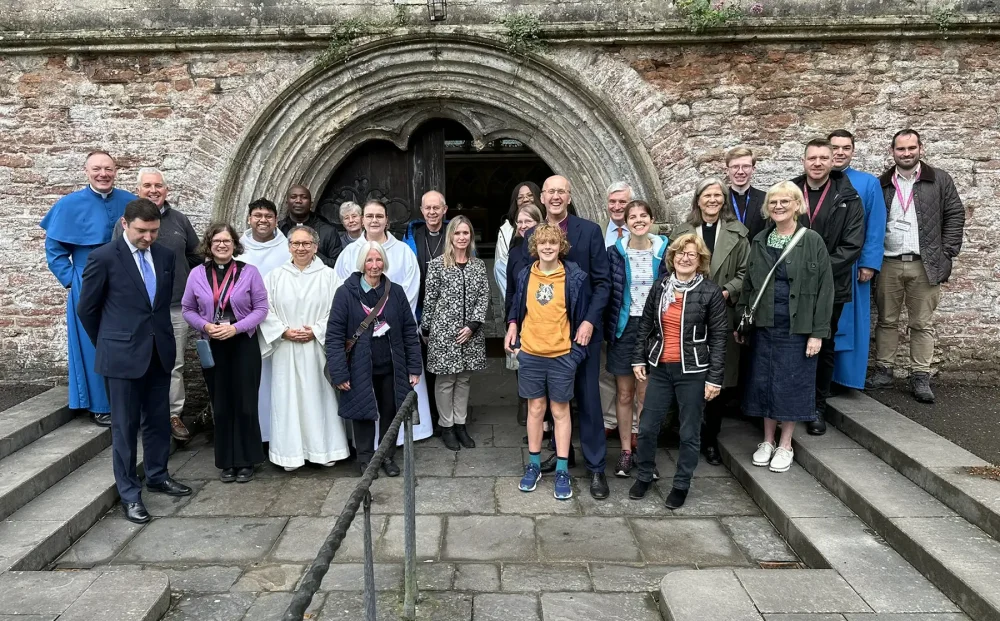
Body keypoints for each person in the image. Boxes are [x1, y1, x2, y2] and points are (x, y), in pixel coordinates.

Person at [77, 198, 192, 524]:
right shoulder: (104, 258)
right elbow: (87, 308)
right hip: (120, 358)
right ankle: (129, 494)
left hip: (158, 353)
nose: (149, 238)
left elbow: (159, 306)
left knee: (157, 421)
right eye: (142, 231)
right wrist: (109, 343)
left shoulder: (165, 255)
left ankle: (157, 475)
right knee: (125, 428)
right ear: (126, 225)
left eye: (154, 231)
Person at [506, 175, 612, 500]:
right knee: (551, 402)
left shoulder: (589, 231)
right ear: (542, 198)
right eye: (549, 191)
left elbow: (603, 282)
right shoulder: (532, 235)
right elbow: (518, 287)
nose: (554, 196)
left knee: (588, 401)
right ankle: (561, 456)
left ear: (569, 196)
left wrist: (591, 322)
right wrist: (512, 322)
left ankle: (596, 468)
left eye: (560, 192)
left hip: (581, 335)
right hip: (542, 340)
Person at [736, 182, 835, 473]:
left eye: (785, 202)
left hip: (797, 326)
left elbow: (824, 289)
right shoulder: (760, 240)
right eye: (774, 202)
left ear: (797, 205)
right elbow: (750, 285)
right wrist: (742, 320)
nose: (779, 207)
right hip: (765, 324)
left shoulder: (812, 240)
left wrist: (817, 333)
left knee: (790, 384)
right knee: (764, 381)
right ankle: (767, 440)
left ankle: (786, 443)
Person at [628, 234, 727, 509]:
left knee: (689, 432)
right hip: (660, 367)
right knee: (647, 427)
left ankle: (681, 483)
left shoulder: (710, 292)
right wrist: (638, 359)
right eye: (681, 253)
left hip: (694, 371)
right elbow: (645, 325)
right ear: (672, 257)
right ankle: (645, 475)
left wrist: (714, 379)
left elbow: (719, 338)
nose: (685, 258)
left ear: (700, 261)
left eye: (691, 255)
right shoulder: (660, 286)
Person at [40, 150, 137, 427]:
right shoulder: (69, 204)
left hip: (125, 280)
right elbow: (55, 249)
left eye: (108, 168)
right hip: (87, 280)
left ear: (115, 170)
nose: (103, 174)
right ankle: (101, 405)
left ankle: (127, 401)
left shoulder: (129, 202)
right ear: (87, 171)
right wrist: (72, 279)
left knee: (127, 340)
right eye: (97, 169)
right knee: (92, 343)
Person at [868, 129, 965, 403]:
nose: (906, 153)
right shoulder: (883, 183)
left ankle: (920, 375)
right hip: (889, 262)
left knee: (922, 324)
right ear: (893, 151)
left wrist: (947, 253)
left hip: (926, 264)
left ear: (920, 148)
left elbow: (955, 214)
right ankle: (884, 370)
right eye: (901, 149)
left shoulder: (939, 179)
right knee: (886, 321)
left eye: (911, 148)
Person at [112, 168, 200, 442]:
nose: (154, 190)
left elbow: (195, 256)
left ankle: (173, 414)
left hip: (174, 307)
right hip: (138, 310)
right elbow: (117, 262)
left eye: (159, 185)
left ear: (166, 189)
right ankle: (144, 415)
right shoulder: (123, 224)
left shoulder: (179, 221)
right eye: (147, 185)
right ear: (138, 190)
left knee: (173, 364)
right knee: (140, 360)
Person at [334, 200, 433, 443]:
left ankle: (393, 442)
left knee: (392, 396)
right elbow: (341, 289)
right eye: (370, 215)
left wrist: (389, 320)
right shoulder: (349, 253)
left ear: (387, 220)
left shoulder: (402, 252)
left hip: (393, 336)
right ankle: (367, 449)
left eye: (379, 215)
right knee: (365, 395)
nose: (374, 220)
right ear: (362, 219)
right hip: (361, 338)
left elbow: (409, 289)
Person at [505, 224, 591, 500]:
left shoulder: (573, 276)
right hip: (531, 352)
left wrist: (575, 353)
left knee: (560, 410)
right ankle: (533, 465)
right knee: (535, 409)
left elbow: (581, 315)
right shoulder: (525, 275)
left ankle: (563, 468)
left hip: (561, 354)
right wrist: (513, 328)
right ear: (535, 247)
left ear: (561, 246)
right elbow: (518, 307)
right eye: (542, 243)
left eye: (553, 243)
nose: (547, 247)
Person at [326, 241, 422, 476]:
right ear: (362, 263)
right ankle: (366, 459)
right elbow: (335, 334)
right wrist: (339, 372)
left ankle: (387, 456)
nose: (374, 265)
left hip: (391, 366)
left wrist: (414, 367)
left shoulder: (395, 292)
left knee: (390, 411)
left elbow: (410, 330)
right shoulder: (346, 293)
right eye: (369, 260)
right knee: (363, 413)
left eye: (378, 260)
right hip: (359, 367)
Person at [671, 178, 749, 466]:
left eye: (718, 195)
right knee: (686, 375)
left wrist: (725, 291)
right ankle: (687, 435)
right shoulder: (683, 232)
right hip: (687, 314)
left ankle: (710, 439)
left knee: (716, 376)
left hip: (721, 312)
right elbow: (671, 265)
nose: (712, 200)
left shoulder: (738, 234)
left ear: (724, 200)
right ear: (698, 200)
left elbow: (745, 271)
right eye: (707, 195)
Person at [182, 223, 268, 484]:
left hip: (243, 343)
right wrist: (206, 326)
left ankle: (247, 460)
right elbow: (188, 309)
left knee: (245, 402)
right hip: (213, 345)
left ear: (235, 244)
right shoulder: (196, 274)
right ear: (209, 244)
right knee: (221, 404)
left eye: (227, 241)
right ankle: (227, 462)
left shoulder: (249, 272)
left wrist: (237, 328)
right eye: (217, 240)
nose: (222, 244)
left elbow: (261, 308)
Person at [258, 227, 350, 470]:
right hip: (285, 348)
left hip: (316, 348)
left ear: (315, 247)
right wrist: (283, 331)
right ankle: (289, 454)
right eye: (296, 244)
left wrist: (317, 330)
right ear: (289, 247)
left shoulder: (329, 277)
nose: (301, 248)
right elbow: (264, 309)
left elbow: (338, 311)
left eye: (306, 243)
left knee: (319, 397)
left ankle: (325, 450)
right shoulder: (275, 277)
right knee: (288, 399)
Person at [791, 138, 865, 436]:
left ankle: (816, 407)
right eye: (812, 158)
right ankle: (792, 402)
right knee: (793, 345)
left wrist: (817, 271)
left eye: (824, 157)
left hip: (831, 285)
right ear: (804, 161)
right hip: (793, 283)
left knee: (824, 345)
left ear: (833, 160)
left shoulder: (849, 197)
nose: (818, 163)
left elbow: (852, 246)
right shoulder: (791, 191)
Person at [605, 200, 668, 477]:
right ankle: (626, 451)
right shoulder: (615, 253)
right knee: (624, 393)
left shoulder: (664, 252)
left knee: (645, 394)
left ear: (651, 220)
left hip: (653, 329)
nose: (638, 220)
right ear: (626, 222)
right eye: (633, 216)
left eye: (643, 216)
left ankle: (644, 451)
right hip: (625, 328)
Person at [422, 216, 490, 451]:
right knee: (445, 380)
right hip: (444, 333)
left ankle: (461, 424)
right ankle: (447, 426)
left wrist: (473, 325)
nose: (462, 237)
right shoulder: (437, 265)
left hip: (470, 333)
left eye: (466, 233)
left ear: (471, 236)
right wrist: (426, 329)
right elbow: (429, 299)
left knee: (464, 379)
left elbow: (484, 296)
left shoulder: (478, 265)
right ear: (450, 236)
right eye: (457, 233)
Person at [827, 130, 888, 391]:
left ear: (853, 151)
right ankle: (821, 376)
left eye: (846, 148)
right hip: (824, 263)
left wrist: (869, 263)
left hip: (854, 267)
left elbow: (875, 225)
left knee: (852, 323)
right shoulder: (818, 179)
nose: (840, 152)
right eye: (835, 147)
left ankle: (846, 378)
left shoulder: (867, 183)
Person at [240, 198, 291, 444]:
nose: (263, 220)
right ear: (249, 219)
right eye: (257, 215)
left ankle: (280, 436)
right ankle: (256, 436)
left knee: (279, 383)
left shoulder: (289, 247)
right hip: (244, 328)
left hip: (281, 327)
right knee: (253, 383)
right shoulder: (237, 248)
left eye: (268, 216)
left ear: (276, 220)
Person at [403, 190, 450, 434]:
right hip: (420, 310)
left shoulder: (453, 234)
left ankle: (448, 419)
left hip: (449, 314)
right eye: (427, 208)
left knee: (447, 369)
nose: (432, 212)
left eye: (436, 208)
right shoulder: (412, 236)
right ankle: (431, 415)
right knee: (423, 364)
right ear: (421, 211)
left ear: (445, 210)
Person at [505, 202, 544, 426]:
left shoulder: (546, 250)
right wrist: (510, 321)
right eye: (519, 222)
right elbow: (511, 290)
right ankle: (527, 410)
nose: (522, 226)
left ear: (539, 223)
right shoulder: (514, 253)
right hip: (519, 321)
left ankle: (545, 423)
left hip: (543, 322)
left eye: (528, 221)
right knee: (524, 369)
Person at [494, 182, 542, 299]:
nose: (525, 199)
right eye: (520, 197)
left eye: (530, 195)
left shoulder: (551, 228)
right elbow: (502, 271)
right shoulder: (506, 232)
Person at [278, 184, 343, 268]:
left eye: (304, 197)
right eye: (293, 197)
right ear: (287, 202)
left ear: (311, 203)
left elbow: (338, 266)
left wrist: (312, 252)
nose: (298, 201)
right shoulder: (279, 230)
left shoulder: (328, 231)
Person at [725, 146, 768, 242]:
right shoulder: (719, 200)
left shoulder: (765, 199)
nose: (740, 172)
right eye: (735, 167)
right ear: (727, 170)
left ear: (753, 169)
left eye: (746, 166)